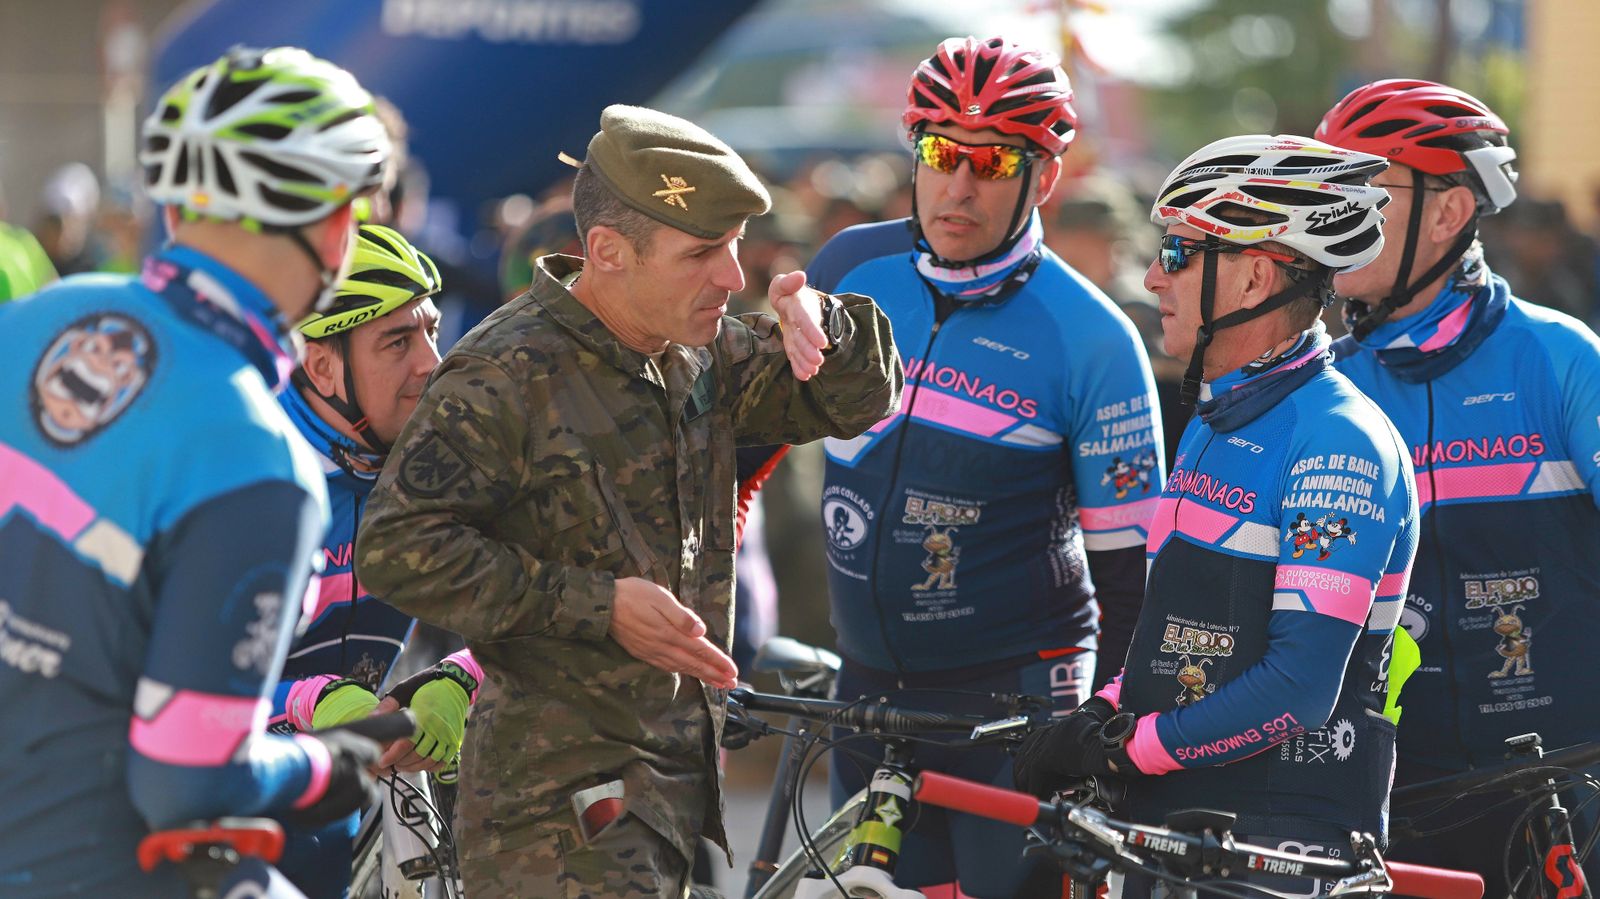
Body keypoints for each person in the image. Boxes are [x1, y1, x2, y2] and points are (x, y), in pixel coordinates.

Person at [354, 104, 902, 897]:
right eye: (702, 252)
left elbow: (855, 399)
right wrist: (598, 604)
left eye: (737, 247)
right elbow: (396, 549)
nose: (732, 276)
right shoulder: (501, 374)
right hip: (552, 820)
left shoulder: (697, 348)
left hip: (670, 790)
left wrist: (827, 326)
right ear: (607, 252)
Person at [0, 46, 392, 897]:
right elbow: (185, 777)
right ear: (332, 226)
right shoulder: (256, 457)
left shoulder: (32, 321)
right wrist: (319, 767)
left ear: (175, 205)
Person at [1012, 134, 1419, 895]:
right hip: (1179, 823)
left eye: (1177, 251)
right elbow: (1169, 631)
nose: (1152, 276)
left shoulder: (1338, 441)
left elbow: (1298, 686)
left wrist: (1129, 749)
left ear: (1254, 275)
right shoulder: (1214, 419)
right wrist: (1098, 715)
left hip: (1280, 844)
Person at [806, 36, 1163, 897]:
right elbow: (740, 468)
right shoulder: (850, 268)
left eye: (992, 161)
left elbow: (1133, 585)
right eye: (940, 152)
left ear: (1043, 177)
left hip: (1013, 705)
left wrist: (1097, 730)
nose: (959, 186)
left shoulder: (1094, 341)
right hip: (865, 688)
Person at [1317, 79, 1600, 892]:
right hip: (1394, 797)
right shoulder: (1325, 389)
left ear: (1448, 214)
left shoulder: (1559, 358)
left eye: (1365, 186)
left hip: (1567, 792)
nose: (1337, 216)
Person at [271, 223, 480, 898]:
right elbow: (152, 688)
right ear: (322, 364)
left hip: (336, 810)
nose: (432, 362)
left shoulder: (438, 459)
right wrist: (311, 703)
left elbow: (545, 602)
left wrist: (464, 678)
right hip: (211, 813)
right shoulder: (255, 476)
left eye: (430, 329)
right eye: (397, 341)